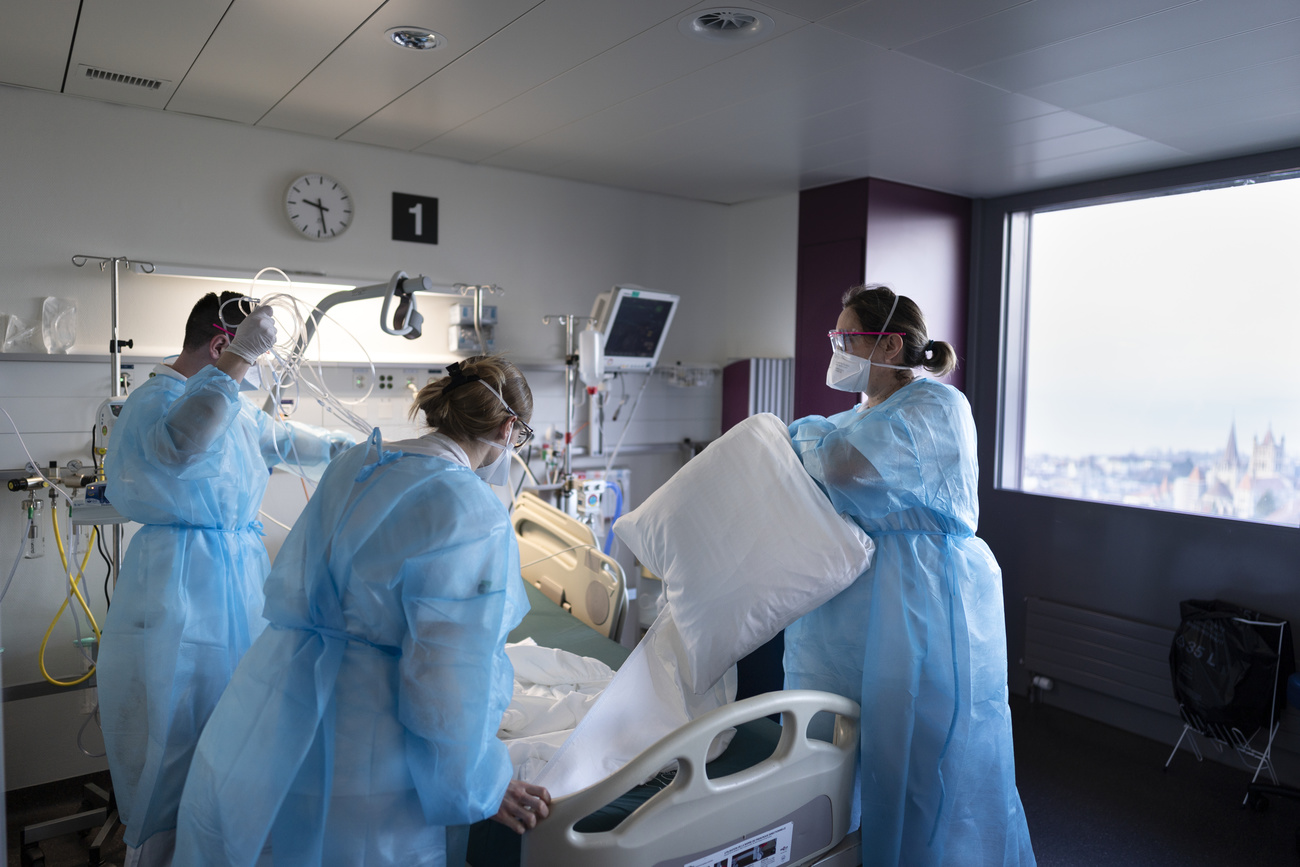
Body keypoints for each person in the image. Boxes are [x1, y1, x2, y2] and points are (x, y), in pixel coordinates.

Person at [172, 356, 552, 867]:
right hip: (371, 737)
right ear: (509, 428)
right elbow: (447, 672)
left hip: (281, 697)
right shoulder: (470, 508)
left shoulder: (359, 461)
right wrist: (481, 784)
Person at [783, 284, 1035, 865]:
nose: (838, 349)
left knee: (917, 755)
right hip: (851, 604)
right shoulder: (859, 416)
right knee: (835, 750)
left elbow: (843, 468)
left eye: (847, 337)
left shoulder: (936, 406)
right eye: (836, 338)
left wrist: (805, 430)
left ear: (891, 344)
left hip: (919, 595)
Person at [99, 292, 352, 866]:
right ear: (221, 345)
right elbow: (180, 445)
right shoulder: (156, 400)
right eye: (248, 358)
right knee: (178, 740)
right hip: (181, 587)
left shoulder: (228, 404)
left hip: (237, 583)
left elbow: (290, 441)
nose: (251, 373)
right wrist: (239, 361)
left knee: (239, 726)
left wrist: (371, 453)